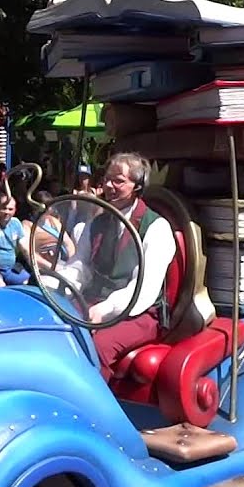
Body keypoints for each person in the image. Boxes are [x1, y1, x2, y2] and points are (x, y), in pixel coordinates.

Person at [50, 153, 176, 381]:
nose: (108, 185)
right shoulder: (98, 222)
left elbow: (144, 289)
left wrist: (105, 309)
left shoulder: (156, 228)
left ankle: (94, 410)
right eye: (107, 179)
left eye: (118, 180)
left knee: (97, 347)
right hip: (95, 302)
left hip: (139, 313)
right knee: (54, 329)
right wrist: (57, 285)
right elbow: (80, 266)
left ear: (137, 186)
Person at [0, 194, 33, 286]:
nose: (7, 212)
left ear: (15, 210)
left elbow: (25, 249)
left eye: (10, 209)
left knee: (30, 281)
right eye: (4, 208)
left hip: (11, 268)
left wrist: (35, 268)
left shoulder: (16, 223)